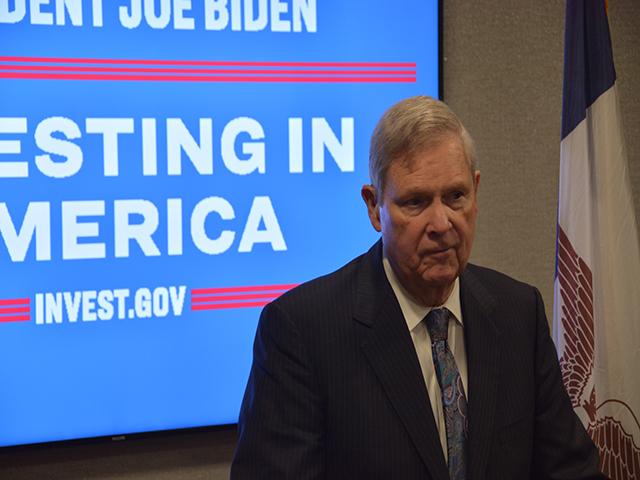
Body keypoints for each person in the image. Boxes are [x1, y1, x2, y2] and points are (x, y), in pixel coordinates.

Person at [230, 96, 604, 479]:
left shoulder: (517, 312)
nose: (441, 223)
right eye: (416, 202)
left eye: (456, 196)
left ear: (476, 191)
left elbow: (572, 471)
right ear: (375, 207)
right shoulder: (302, 330)